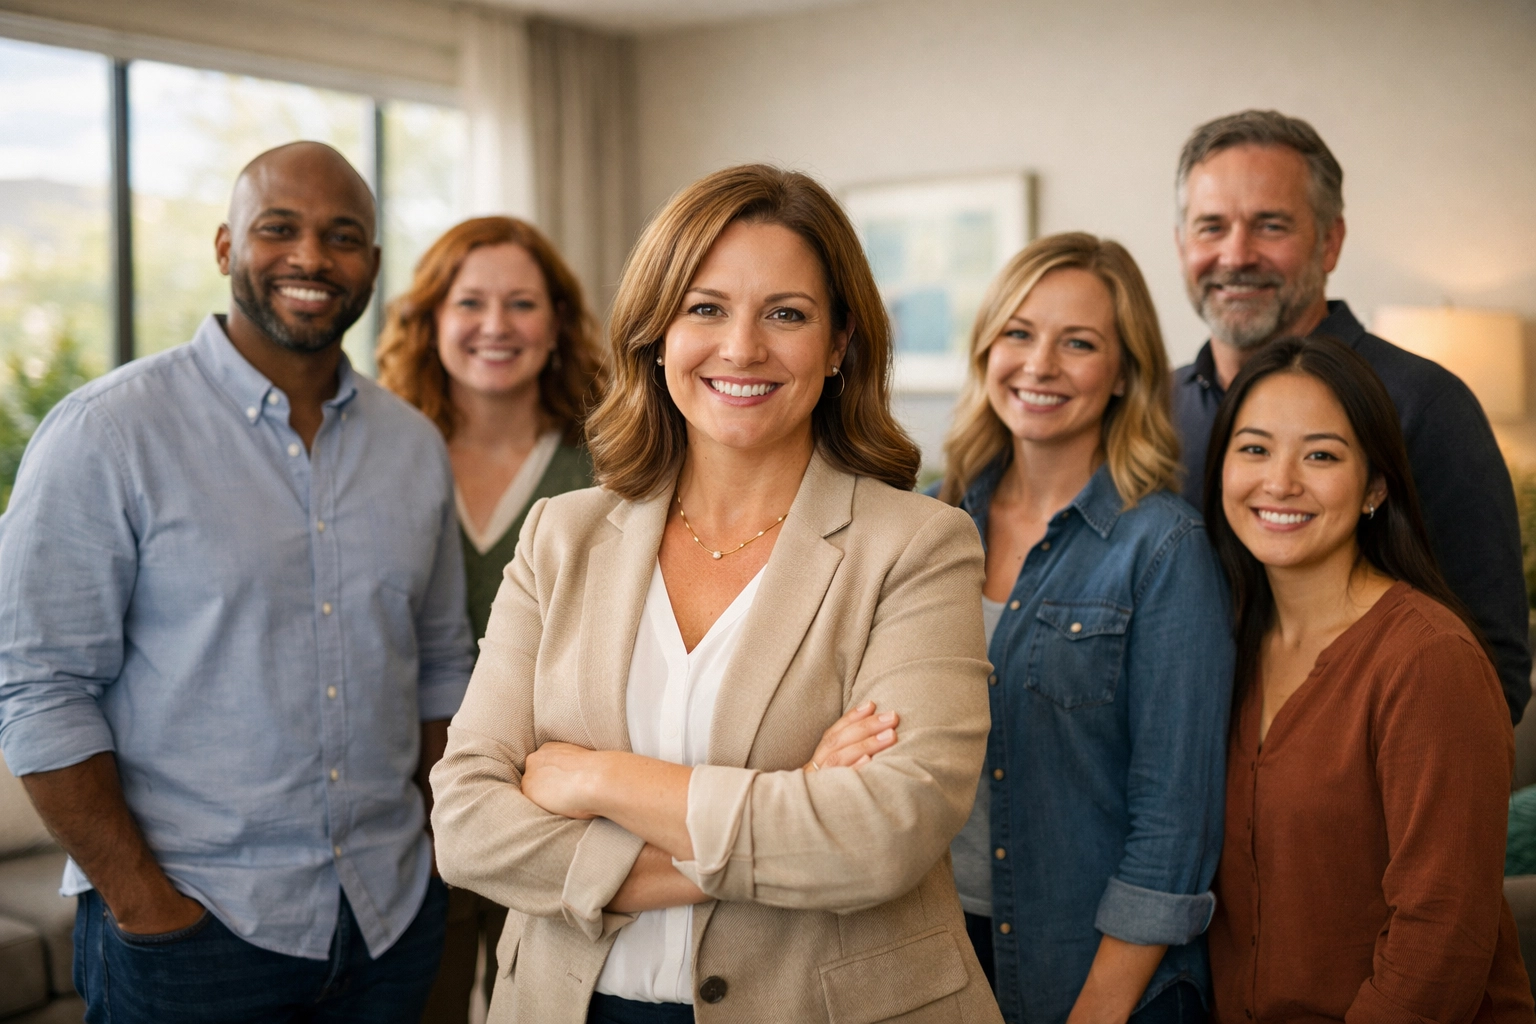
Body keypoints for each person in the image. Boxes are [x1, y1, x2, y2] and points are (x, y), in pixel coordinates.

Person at [429, 164, 1003, 1024]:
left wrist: (597, 777)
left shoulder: (918, 545)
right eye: (705, 307)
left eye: (787, 313)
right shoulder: (562, 535)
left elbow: (882, 835)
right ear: (657, 333)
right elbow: (469, 826)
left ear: (840, 343)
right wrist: (795, 794)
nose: (742, 347)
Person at [0, 142, 474, 1023]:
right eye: (278, 229)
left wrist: (438, 848)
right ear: (225, 247)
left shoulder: (413, 448)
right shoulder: (108, 434)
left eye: (342, 236)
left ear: (370, 264)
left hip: (392, 918)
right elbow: (39, 686)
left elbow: (442, 664)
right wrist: (145, 905)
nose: (310, 258)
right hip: (193, 934)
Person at [937, 233, 1233, 1024]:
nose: (1040, 365)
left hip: (1094, 974)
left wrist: (1096, 1011)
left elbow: (1175, 825)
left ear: (1125, 372)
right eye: (1019, 333)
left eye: (1079, 343)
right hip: (934, 955)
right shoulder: (930, 523)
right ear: (986, 349)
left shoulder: (1163, 548)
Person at [1202, 336, 1534, 1023]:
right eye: (1255, 448)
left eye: (1320, 454)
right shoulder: (1224, 645)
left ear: (1375, 488)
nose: (1281, 481)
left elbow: (1442, 935)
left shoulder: (1429, 660)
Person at [1169, 109, 1530, 722]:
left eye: (1270, 225)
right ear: (1182, 244)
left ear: (1330, 241)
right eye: (1211, 227)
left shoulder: (1424, 404)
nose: (1236, 254)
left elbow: (1493, 665)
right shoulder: (1156, 409)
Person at [377, 215, 606, 1022]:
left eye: (522, 303)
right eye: (470, 302)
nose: (496, 326)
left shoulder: (608, 458)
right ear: (432, 319)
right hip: (406, 813)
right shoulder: (384, 455)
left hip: (561, 809)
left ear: (557, 323)